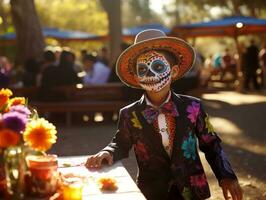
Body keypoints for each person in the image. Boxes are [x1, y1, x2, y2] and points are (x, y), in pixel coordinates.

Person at [85, 29, 243, 200]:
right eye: (143, 69)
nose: (150, 74)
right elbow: (120, 144)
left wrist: (226, 175)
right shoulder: (129, 114)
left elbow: (211, 144)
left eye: (158, 66)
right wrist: (108, 152)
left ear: (174, 71)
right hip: (152, 192)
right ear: (137, 78)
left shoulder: (193, 107)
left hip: (192, 190)